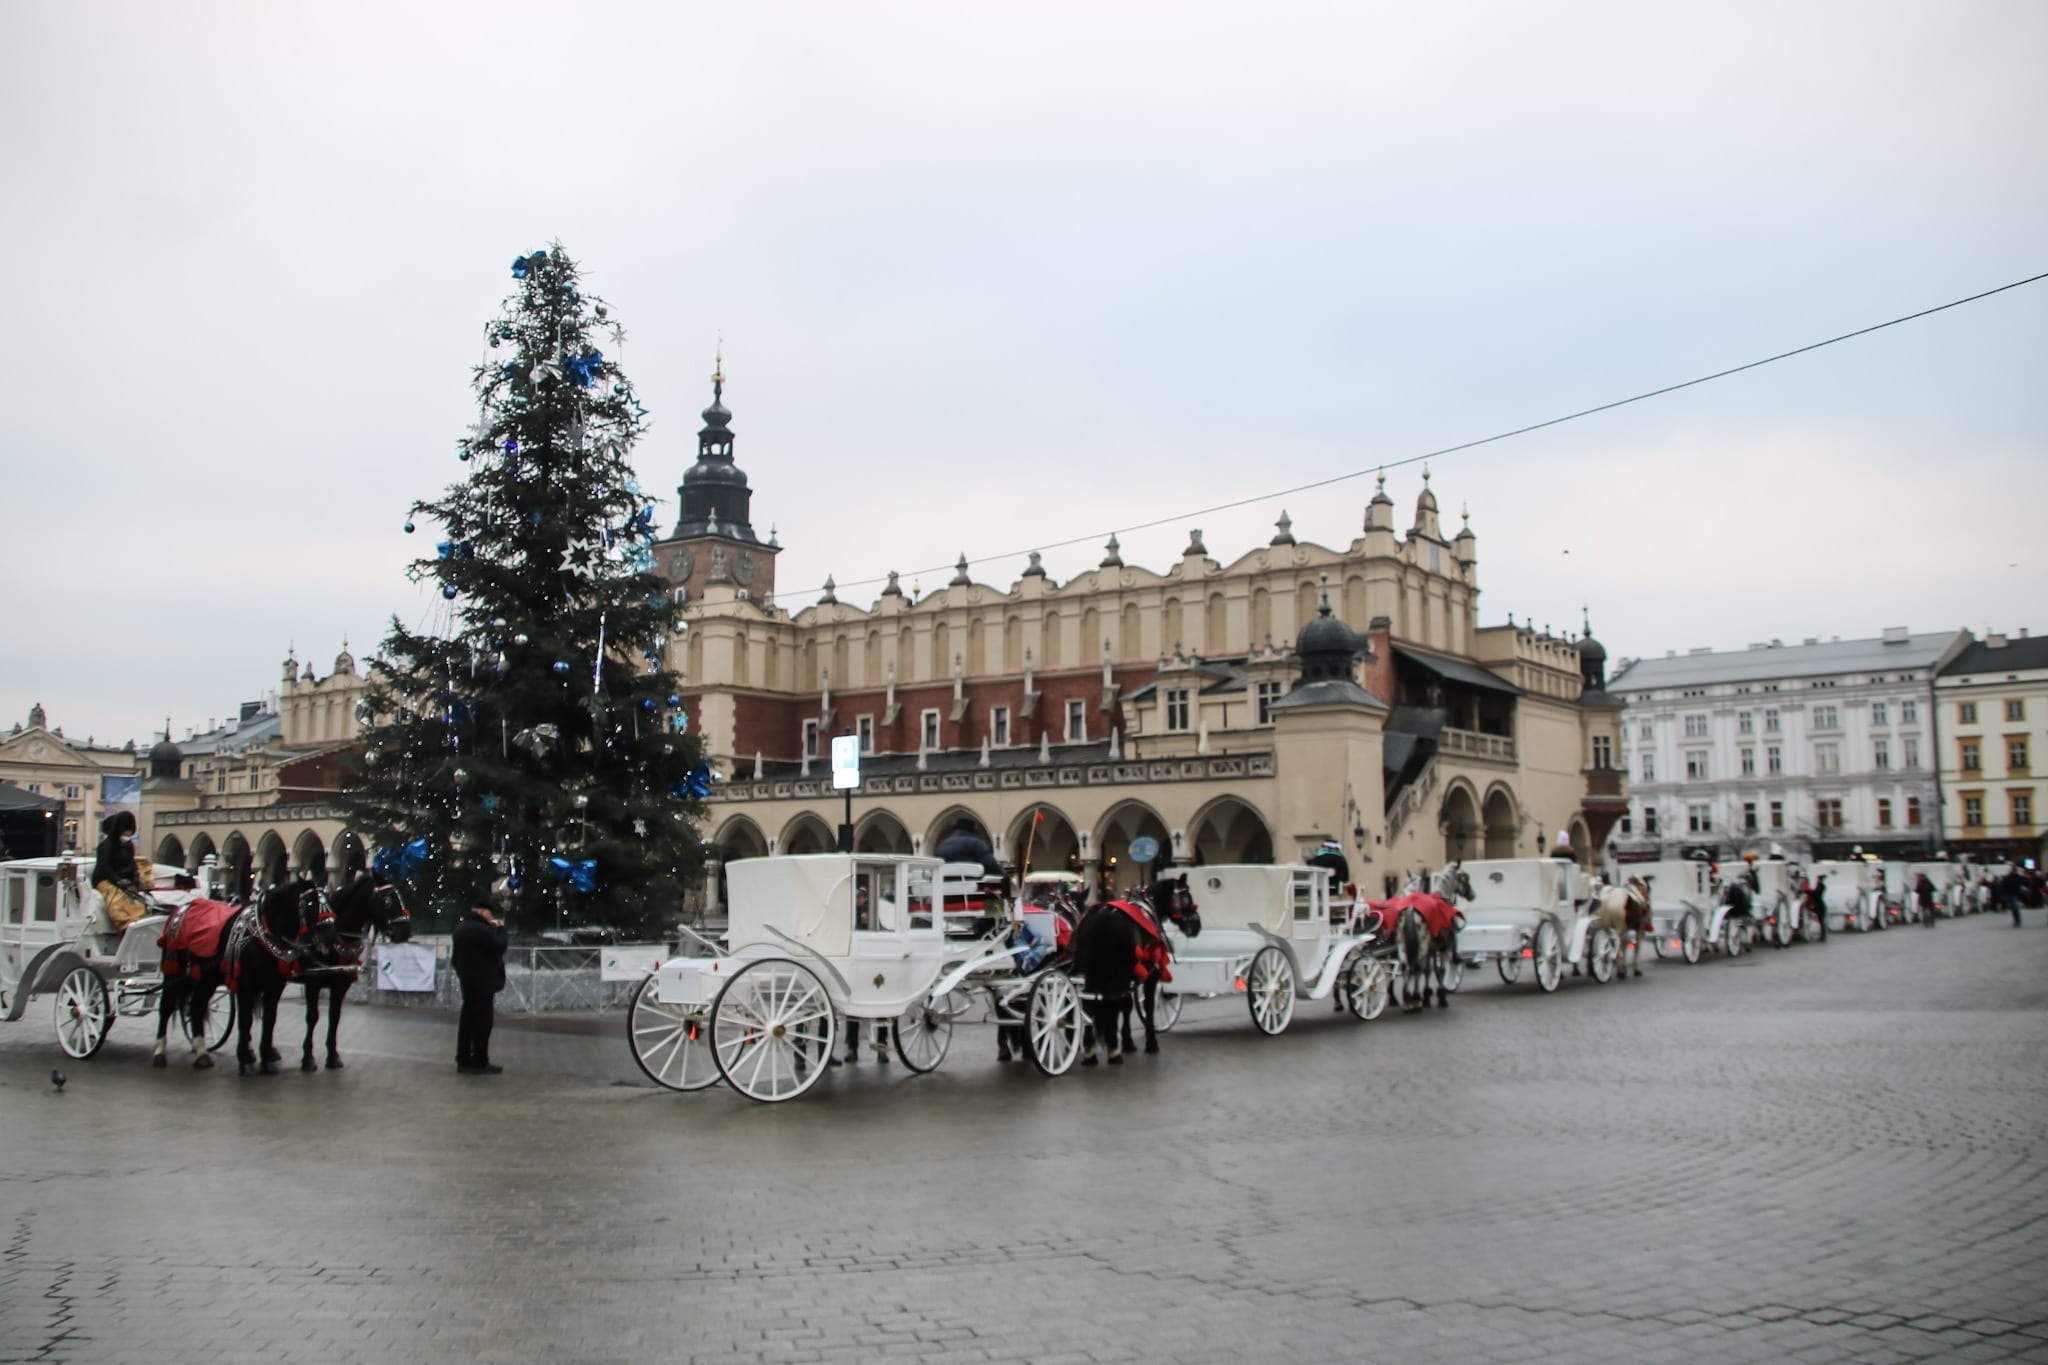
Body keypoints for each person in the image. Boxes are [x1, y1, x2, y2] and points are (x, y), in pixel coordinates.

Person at [451, 897, 508, 1075]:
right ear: (482, 912)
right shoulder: (481, 930)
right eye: (489, 914)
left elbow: (455, 958)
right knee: (483, 1022)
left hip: (467, 981)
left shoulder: (460, 928)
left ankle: (463, 1058)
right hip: (483, 982)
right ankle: (480, 1060)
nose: (491, 918)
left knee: (467, 1020)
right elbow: (499, 946)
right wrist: (501, 930)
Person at [838, 885, 889, 1066]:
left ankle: (881, 1048)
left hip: (875, 968)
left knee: (881, 1010)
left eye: (861, 897)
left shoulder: (874, 915)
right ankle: (853, 1048)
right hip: (859, 967)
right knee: (854, 1010)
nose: (859, 900)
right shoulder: (852, 915)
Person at [90, 811, 149, 931]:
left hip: (122, 880)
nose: (128, 834)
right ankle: (124, 924)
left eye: (130, 831)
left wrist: (134, 880)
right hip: (104, 880)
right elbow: (104, 866)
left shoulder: (128, 846)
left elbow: (131, 864)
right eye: (126, 831)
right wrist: (118, 880)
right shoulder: (106, 845)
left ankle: (139, 919)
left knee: (135, 898)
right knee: (117, 898)